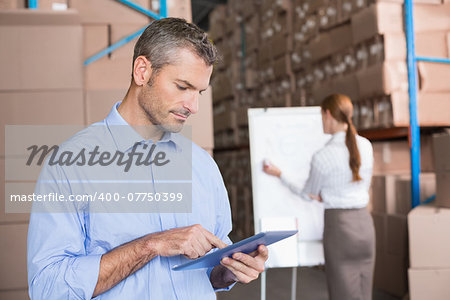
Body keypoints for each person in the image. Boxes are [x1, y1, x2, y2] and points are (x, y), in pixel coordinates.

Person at [27, 18, 267, 299]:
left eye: (199, 92)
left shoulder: (202, 166)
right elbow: (47, 287)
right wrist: (151, 245)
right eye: (182, 87)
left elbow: (208, 274)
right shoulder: (70, 165)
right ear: (142, 71)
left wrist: (231, 269)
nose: (194, 106)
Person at [263, 94, 375, 300]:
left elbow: (308, 194)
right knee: (364, 293)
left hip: (341, 230)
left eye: (321, 116)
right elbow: (361, 184)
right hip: (366, 227)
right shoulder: (366, 146)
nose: (321, 121)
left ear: (328, 114)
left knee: (342, 294)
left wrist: (280, 174)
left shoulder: (323, 156)